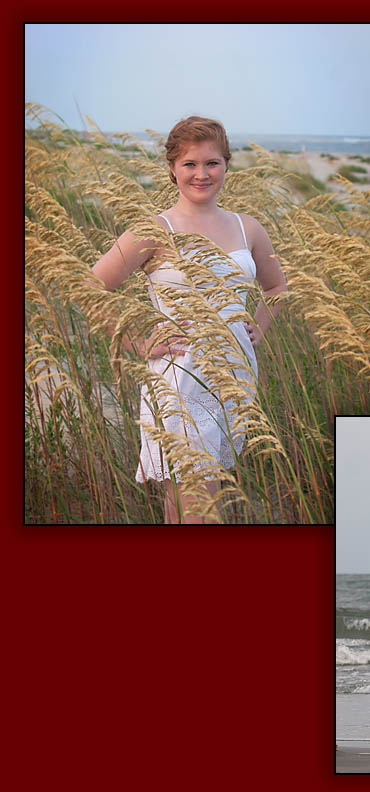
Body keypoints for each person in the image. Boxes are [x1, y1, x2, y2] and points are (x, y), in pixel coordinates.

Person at [88, 116, 288, 523]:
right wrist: (138, 343)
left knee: (189, 504)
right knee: (199, 505)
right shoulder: (154, 230)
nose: (202, 174)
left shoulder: (247, 228)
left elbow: (278, 288)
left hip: (232, 376)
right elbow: (90, 288)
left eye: (212, 163)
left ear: (227, 165)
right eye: (190, 164)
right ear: (172, 169)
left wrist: (260, 327)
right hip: (180, 378)